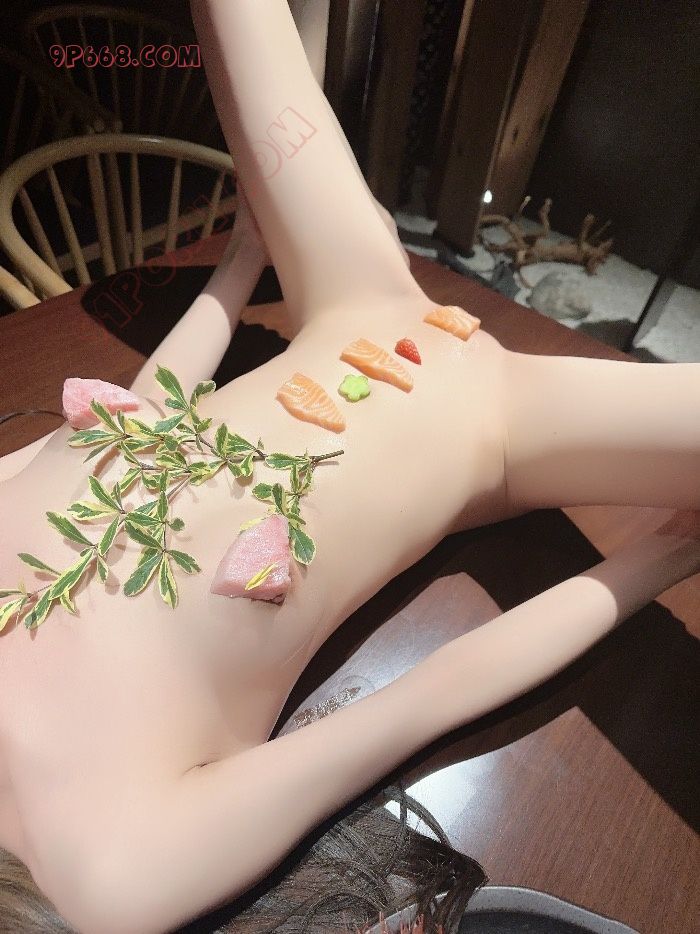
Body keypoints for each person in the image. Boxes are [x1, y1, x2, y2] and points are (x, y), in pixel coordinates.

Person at [0, 2, 698, 933]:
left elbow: (142, 414)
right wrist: (658, 560)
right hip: (494, 424)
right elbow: (428, 699)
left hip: (351, 297)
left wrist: (241, 260)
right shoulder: (107, 877)